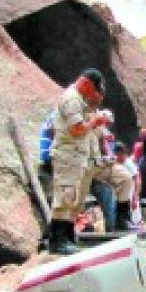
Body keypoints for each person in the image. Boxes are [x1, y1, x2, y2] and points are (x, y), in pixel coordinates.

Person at [49, 69, 109, 254]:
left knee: (73, 198)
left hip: (76, 156)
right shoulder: (72, 99)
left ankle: (66, 237)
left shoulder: (80, 101)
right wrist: (94, 122)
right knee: (65, 196)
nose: (92, 94)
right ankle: (57, 241)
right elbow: (76, 129)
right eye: (92, 90)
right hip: (67, 155)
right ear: (86, 84)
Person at [83, 112, 135, 231]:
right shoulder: (84, 125)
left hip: (102, 165)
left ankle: (122, 218)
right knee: (108, 194)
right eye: (106, 122)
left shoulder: (100, 128)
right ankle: (111, 226)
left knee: (127, 178)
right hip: (89, 168)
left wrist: (108, 155)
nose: (107, 125)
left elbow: (108, 140)